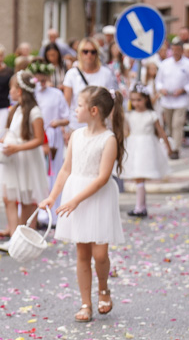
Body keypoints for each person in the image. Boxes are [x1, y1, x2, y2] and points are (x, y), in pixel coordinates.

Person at [39, 86, 126, 323]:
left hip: (97, 198)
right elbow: (66, 169)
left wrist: (76, 200)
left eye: (78, 106)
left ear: (94, 110)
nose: (75, 109)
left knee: (100, 254)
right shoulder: (75, 136)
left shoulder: (108, 140)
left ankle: (104, 289)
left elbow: (102, 178)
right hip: (76, 193)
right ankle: (86, 303)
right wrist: (52, 196)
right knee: (82, 253)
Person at [0, 71, 49, 246]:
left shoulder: (34, 112)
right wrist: (3, 141)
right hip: (12, 160)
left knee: (25, 199)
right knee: (8, 197)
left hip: (25, 160)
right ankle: (14, 235)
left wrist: (16, 147)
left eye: (11, 87)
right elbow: (15, 133)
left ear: (19, 90)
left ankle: (18, 238)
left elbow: (39, 139)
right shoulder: (16, 109)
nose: (9, 91)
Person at [122, 85, 172, 217]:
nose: (136, 103)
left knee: (140, 177)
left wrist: (169, 147)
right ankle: (141, 206)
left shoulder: (151, 114)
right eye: (133, 100)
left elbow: (161, 131)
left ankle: (140, 207)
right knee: (138, 178)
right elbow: (126, 132)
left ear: (146, 99)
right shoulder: (130, 115)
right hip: (134, 146)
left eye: (139, 100)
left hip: (147, 148)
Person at [31, 60, 70, 221]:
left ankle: (52, 214)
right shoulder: (32, 94)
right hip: (36, 137)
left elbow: (66, 117)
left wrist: (57, 123)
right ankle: (36, 211)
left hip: (53, 137)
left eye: (43, 79)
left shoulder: (56, 94)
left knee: (53, 172)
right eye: (37, 79)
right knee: (36, 173)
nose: (41, 83)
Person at [63, 38, 118, 131]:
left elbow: (111, 100)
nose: (89, 55)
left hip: (99, 124)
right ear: (80, 53)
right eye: (85, 51)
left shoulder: (106, 73)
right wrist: (65, 127)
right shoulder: (72, 74)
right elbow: (66, 103)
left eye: (93, 52)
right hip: (77, 124)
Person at [155, 37, 189, 159]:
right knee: (169, 125)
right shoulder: (165, 64)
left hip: (181, 100)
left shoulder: (188, 64)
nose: (176, 52)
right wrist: (162, 89)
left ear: (182, 50)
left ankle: (176, 149)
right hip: (167, 100)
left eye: (178, 49)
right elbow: (158, 81)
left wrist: (183, 89)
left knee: (177, 124)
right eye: (174, 49)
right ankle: (170, 145)